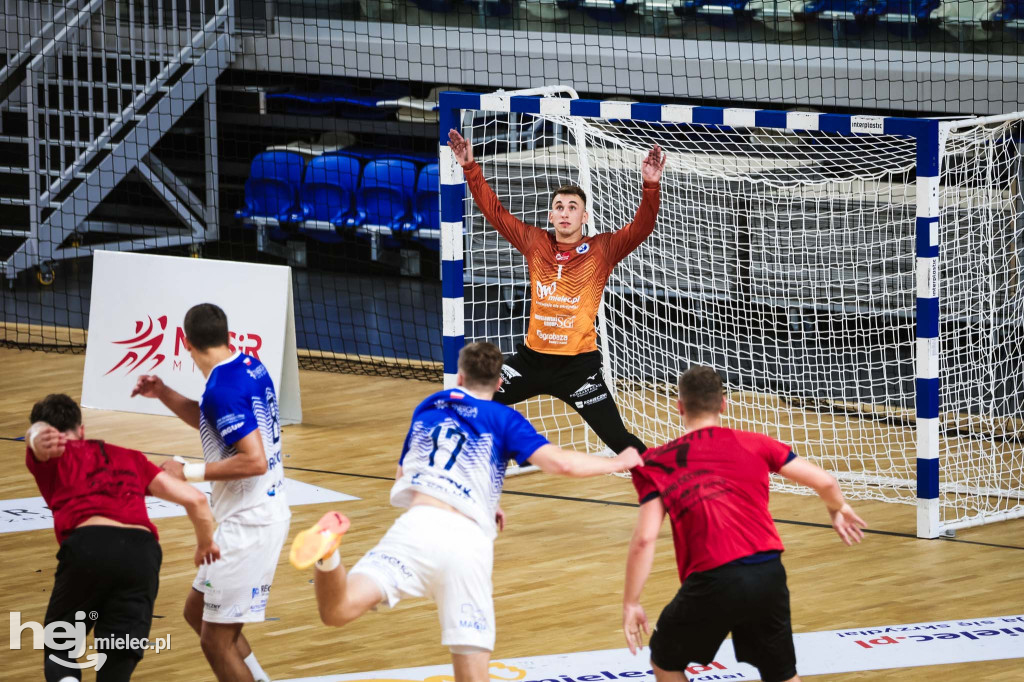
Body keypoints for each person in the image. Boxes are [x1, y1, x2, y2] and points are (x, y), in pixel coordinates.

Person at [290, 341, 644, 682]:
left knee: (337, 611)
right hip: (464, 544)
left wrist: (486, 500)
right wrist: (616, 461)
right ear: (500, 382)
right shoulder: (503, 418)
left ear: (459, 378)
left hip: (416, 527)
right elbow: (561, 464)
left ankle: (329, 557)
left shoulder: (430, 406)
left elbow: (406, 475)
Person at [621, 366, 867, 682]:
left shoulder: (657, 462)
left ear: (679, 406)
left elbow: (644, 539)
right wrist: (838, 508)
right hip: (768, 571)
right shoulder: (757, 443)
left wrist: (631, 602)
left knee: (665, 658)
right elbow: (826, 481)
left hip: (714, 578)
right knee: (781, 673)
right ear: (723, 403)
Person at [447, 129, 667, 456]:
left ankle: (667, 477)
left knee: (620, 442)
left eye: (572, 207)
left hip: (576, 368)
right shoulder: (535, 242)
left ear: (584, 216)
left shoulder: (602, 248)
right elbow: (496, 213)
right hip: (531, 362)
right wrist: (470, 168)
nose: (565, 213)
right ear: (551, 215)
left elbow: (642, 228)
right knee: (468, 402)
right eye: (559, 207)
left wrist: (650, 185)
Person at [131, 303, 289, 682]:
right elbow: (214, 421)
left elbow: (255, 461)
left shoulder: (222, 389)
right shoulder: (247, 364)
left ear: (185, 342)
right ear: (227, 335)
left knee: (216, 641)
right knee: (196, 614)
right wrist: (164, 393)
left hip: (250, 525)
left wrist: (187, 472)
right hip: (254, 516)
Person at [24, 394, 219, 682]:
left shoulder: (52, 455)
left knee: (59, 647)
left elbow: (37, 441)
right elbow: (197, 502)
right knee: (117, 656)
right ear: (82, 429)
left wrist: (35, 435)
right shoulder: (130, 457)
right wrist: (205, 544)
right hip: (142, 555)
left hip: (89, 546)